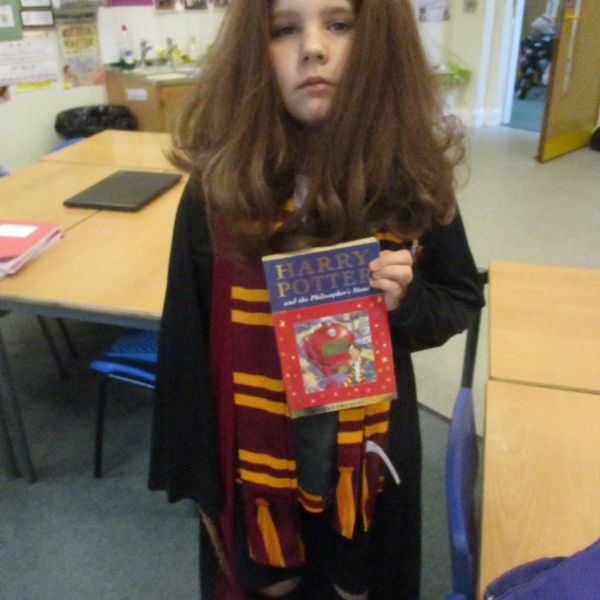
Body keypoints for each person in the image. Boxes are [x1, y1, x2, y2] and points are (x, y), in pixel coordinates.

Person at [149, 1, 485, 599]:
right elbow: (184, 342)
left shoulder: (406, 176)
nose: (313, 48)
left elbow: (458, 296)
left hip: (369, 463)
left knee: (362, 580)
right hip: (252, 464)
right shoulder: (220, 187)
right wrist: (199, 480)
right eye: (285, 29)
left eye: (338, 24)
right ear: (254, 51)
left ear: (377, 40)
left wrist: (403, 306)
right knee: (266, 584)